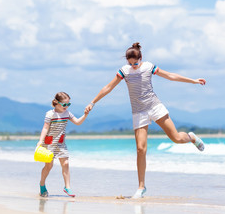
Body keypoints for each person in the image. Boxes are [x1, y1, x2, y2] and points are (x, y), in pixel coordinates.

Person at [85, 42, 206, 199]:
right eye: (130, 63)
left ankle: (191, 137)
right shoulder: (124, 71)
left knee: (176, 138)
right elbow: (108, 87)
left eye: (136, 63)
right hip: (139, 112)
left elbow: (170, 76)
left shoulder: (149, 67)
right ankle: (141, 187)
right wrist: (92, 102)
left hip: (155, 107)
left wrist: (193, 81)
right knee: (140, 149)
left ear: (141, 58)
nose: (133, 66)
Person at [37, 92, 88, 197]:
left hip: (60, 143)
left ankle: (67, 187)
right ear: (56, 103)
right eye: (64, 104)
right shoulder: (50, 114)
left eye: (68, 104)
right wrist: (40, 141)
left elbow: (78, 122)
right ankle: (42, 184)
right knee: (48, 166)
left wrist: (85, 114)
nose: (66, 107)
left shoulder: (67, 113)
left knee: (65, 163)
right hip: (49, 143)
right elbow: (45, 128)